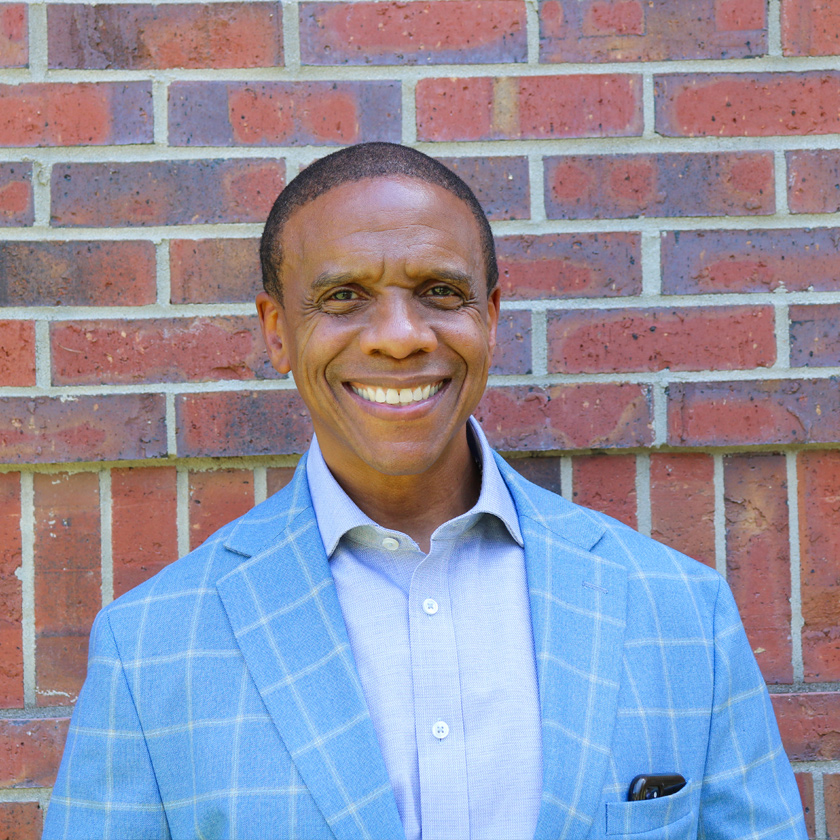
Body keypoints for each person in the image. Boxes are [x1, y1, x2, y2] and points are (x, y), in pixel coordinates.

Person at [43, 143, 807, 840]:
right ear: (276, 331)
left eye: (439, 290)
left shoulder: (678, 612)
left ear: (491, 316)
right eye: (344, 297)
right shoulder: (151, 648)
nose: (401, 335)